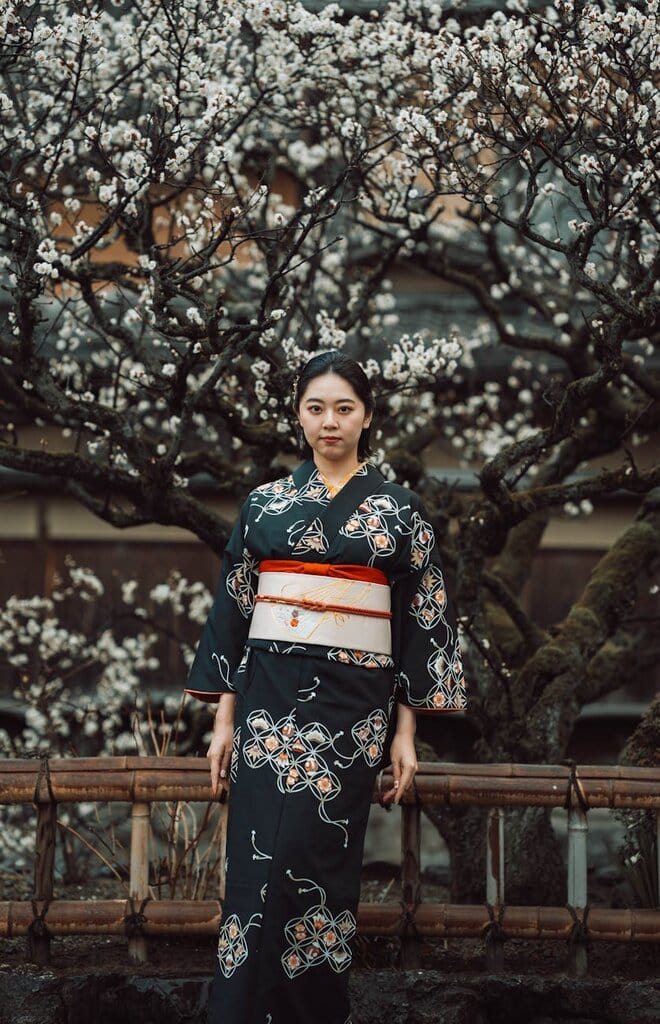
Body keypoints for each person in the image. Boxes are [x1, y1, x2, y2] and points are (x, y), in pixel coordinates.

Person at [185, 350, 466, 1024]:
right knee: (253, 876)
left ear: (368, 415)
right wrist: (224, 722)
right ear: (298, 415)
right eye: (316, 408)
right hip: (266, 709)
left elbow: (420, 626)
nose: (329, 422)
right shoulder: (264, 507)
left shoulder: (402, 513)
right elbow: (234, 615)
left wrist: (406, 733)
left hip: (350, 716)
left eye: (344, 408)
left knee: (319, 872)